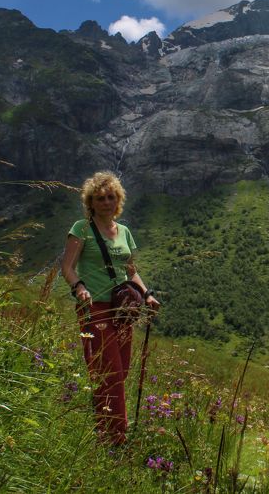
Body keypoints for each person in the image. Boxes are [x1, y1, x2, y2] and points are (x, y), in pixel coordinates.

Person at [60, 171, 160, 445]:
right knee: (110, 371)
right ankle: (117, 439)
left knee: (121, 370)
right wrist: (79, 287)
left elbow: (131, 271)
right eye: (99, 198)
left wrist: (147, 293)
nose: (106, 202)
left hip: (124, 308)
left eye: (111, 197)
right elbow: (66, 267)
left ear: (118, 200)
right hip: (96, 307)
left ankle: (102, 428)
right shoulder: (81, 228)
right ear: (90, 202)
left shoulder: (124, 232)